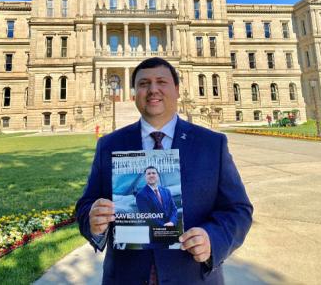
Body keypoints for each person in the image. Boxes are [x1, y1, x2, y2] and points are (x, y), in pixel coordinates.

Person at [76, 57, 253, 285]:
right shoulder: (110, 145)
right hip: (125, 277)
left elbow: (238, 209)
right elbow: (86, 204)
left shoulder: (211, 144)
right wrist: (93, 220)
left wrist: (213, 239)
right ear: (134, 92)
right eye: (143, 84)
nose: (153, 90)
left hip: (192, 276)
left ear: (177, 90)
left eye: (161, 81)